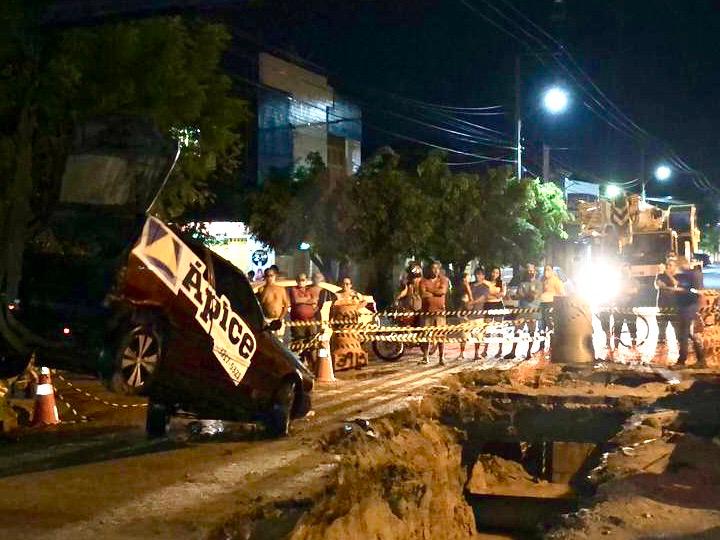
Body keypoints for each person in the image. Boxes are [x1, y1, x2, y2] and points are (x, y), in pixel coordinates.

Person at [673, 256, 706, 368]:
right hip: (683, 306)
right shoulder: (681, 275)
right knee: (686, 333)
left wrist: (683, 290)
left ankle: (682, 360)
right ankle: (700, 359)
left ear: (681, 264)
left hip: (689, 306)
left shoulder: (693, 274)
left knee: (684, 333)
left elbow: (697, 291)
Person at [504, 264, 542, 360]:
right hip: (522, 310)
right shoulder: (522, 283)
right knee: (516, 331)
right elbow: (518, 295)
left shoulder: (538, 283)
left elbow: (532, 297)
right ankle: (513, 351)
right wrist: (522, 294)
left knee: (531, 332)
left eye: (532, 270)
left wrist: (523, 294)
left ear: (535, 271)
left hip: (533, 311)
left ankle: (528, 352)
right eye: (528, 271)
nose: (530, 272)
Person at [330, 276, 368, 370]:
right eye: (344, 283)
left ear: (351, 285)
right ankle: (343, 363)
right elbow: (332, 308)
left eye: (347, 284)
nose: (345, 285)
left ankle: (357, 362)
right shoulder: (337, 295)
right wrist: (331, 319)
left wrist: (356, 308)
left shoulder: (355, 294)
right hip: (340, 323)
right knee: (341, 343)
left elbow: (365, 301)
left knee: (354, 341)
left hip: (352, 322)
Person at [419, 261, 450, 365]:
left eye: (437, 268)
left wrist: (430, 291)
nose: (435, 270)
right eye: (433, 268)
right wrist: (436, 292)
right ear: (430, 269)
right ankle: (425, 357)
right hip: (427, 312)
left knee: (441, 335)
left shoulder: (443, 279)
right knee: (426, 335)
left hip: (440, 311)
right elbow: (423, 294)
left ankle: (441, 357)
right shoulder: (423, 281)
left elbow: (443, 292)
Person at [607, 263, 640, 358]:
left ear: (630, 270)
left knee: (632, 328)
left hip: (630, 308)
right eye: (623, 271)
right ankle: (616, 347)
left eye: (626, 270)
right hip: (618, 308)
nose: (624, 272)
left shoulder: (634, 281)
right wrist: (624, 290)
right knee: (617, 328)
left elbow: (634, 291)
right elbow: (614, 291)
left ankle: (634, 345)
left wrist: (622, 290)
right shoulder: (617, 281)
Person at [459, 267, 490, 360]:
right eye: (477, 274)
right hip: (468, 315)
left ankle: (476, 353)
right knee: (464, 335)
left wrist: (472, 302)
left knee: (478, 336)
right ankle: (461, 353)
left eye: (480, 274)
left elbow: (482, 298)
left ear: (483, 276)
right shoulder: (471, 286)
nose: (478, 276)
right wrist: (462, 307)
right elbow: (464, 298)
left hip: (478, 315)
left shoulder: (485, 287)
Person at [288, 273, 319, 366]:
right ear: (297, 281)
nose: (301, 282)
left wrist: (305, 300)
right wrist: (308, 300)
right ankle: (299, 364)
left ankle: (314, 365)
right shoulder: (293, 289)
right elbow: (296, 300)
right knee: (299, 342)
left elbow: (314, 301)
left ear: (306, 281)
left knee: (313, 342)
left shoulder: (309, 290)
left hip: (311, 320)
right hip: (298, 321)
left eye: (303, 280)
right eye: (299, 280)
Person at [478, 266, 506, 359]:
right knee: (487, 328)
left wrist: (492, 293)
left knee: (499, 328)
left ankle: (500, 349)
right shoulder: (486, 282)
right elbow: (484, 293)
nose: (495, 274)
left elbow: (502, 294)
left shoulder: (501, 283)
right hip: (488, 305)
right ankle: (485, 350)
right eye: (493, 272)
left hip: (498, 305)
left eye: (497, 273)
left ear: (499, 274)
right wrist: (493, 293)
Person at [255, 267, 290, 338]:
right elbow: (260, 305)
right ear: (265, 277)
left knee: (280, 340)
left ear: (275, 276)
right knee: (268, 341)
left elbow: (286, 305)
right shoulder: (262, 289)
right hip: (267, 320)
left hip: (279, 319)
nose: (270, 278)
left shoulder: (281, 289)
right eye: (267, 276)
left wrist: (280, 319)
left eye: (271, 275)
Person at [655, 258, 679, 350]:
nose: (668, 267)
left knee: (676, 329)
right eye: (667, 265)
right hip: (662, 305)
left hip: (674, 306)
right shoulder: (661, 275)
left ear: (675, 267)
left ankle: (679, 352)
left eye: (670, 265)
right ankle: (661, 352)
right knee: (661, 329)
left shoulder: (677, 276)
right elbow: (658, 285)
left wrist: (668, 274)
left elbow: (675, 283)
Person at [538, 265, 565, 348]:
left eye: (548, 270)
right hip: (542, 304)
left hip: (551, 304)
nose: (546, 272)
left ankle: (552, 345)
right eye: (545, 270)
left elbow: (562, 294)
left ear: (552, 271)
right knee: (541, 325)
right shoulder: (542, 280)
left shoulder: (556, 281)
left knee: (551, 325)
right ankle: (541, 345)